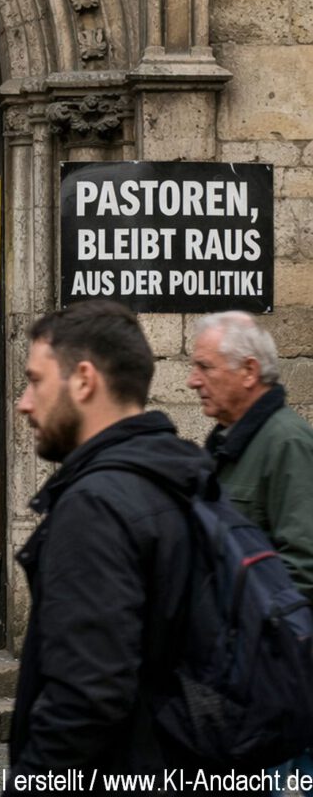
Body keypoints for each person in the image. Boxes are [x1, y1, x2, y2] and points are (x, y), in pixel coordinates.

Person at [9, 300, 214, 782]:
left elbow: (86, 698)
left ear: (83, 379)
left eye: (36, 380)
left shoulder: (96, 505)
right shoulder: (180, 472)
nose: (23, 401)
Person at [188, 310, 313, 792]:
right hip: (233, 687)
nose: (193, 380)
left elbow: (303, 569)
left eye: (205, 367)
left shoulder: (286, 442)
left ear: (248, 372)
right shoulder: (228, 441)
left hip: (272, 690)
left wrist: (255, 658)